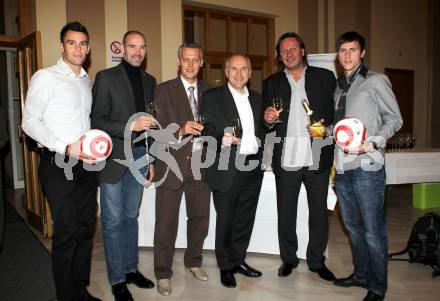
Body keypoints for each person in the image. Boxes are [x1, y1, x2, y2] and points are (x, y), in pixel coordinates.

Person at [21, 21, 101, 301]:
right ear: (62, 46)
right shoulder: (46, 77)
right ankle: (66, 297)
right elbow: (29, 122)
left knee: (85, 228)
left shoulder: (85, 81)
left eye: (82, 43)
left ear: (88, 48)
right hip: (57, 163)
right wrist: (65, 147)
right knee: (66, 230)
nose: (77, 48)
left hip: (85, 165)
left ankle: (80, 290)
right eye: (71, 42)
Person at [332, 31, 402, 301]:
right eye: (342, 51)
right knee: (353, 228)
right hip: (343, 167)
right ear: (338, 55)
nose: (347, 55)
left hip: (368, 167)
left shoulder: (375, 81)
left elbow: (395, 119)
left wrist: (372, 142)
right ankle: (361, 274)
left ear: (362, 53)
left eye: (352, 50)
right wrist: (323, 130)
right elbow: (343, 129)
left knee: (374, 230)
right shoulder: (340, 87)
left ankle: (377, 287)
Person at [263, 32, 336, 281]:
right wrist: (268, 119)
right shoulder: (271, 82)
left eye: (293, 49)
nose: (289, 54)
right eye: (284, 51)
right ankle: (289, 259)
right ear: (279, 56)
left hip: (317, 156)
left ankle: (317, 261)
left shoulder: (325, 77)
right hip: (286, 159)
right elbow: (266, 122)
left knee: (319, 214)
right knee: (286, 214)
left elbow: (338, 113)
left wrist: (327, 128)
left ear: (303, 51)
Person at [91, 31, 156, 301]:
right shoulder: (106, 77)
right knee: (113, 221)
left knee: (131, 218)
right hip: (113, 159)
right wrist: (130, 125)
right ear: (123, 49)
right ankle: (117, 279)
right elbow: (97, 121)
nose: (137, 52)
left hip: (140, 156)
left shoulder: (150, 81)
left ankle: (130, 270)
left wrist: (151, 158)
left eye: (142, 47)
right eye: (132, 46)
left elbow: (152, 125)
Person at [200, 54, 264, 288]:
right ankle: (226, 266)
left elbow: (263, 129)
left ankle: (238, 260)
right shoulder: (212, 97)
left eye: (244, 69)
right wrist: (222, 138)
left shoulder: (258, 99)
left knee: (244, 219)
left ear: (249, 72)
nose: (239, 73)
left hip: (252, 167)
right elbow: (205, 129)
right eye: (233, 69)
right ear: (226, 72)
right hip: (226, 166)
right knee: (226, 220)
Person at [152, 43, 211, 296]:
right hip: (172, 164)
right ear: (178, 61)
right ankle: (163, 273)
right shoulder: (163, 90)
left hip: (200, 165)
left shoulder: (211, 91)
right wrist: (180, 131)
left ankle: (193, 262)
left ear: (201, 62)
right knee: (166, 223)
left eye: (195, 60)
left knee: (199, 220)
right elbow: (155, 132)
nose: (190, 64)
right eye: (185, 59)